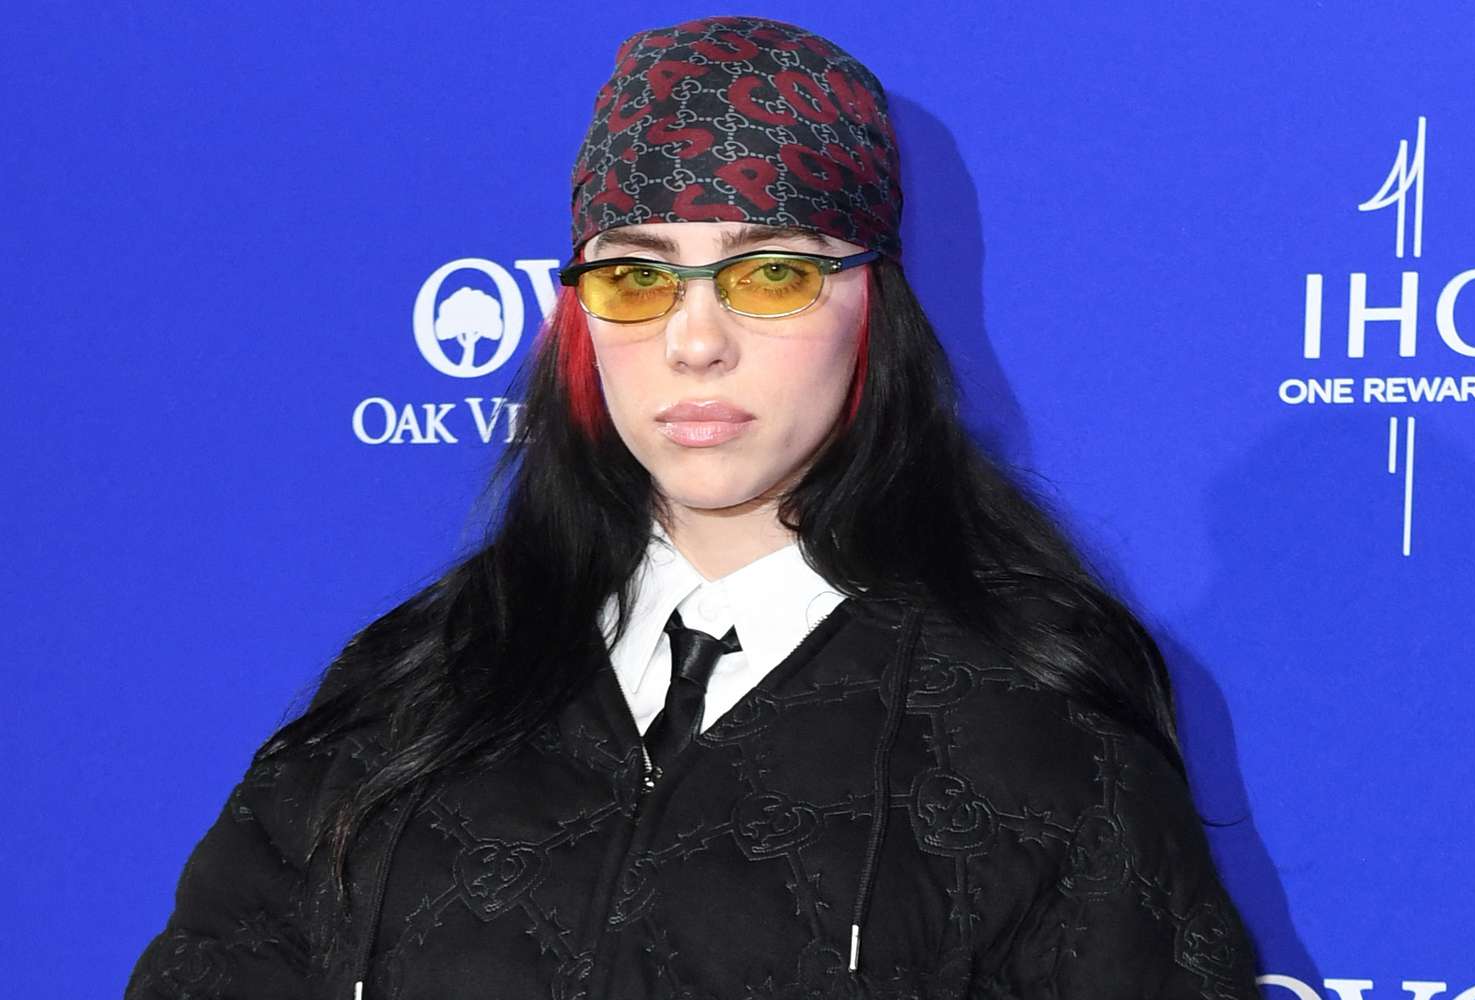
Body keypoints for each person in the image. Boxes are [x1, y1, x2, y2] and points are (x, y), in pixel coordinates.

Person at [126, 15, 1262, 999]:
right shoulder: (410, 689)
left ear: (876, 306)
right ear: (580, 315)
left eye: (772, 272)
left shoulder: (1042, 726)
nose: (696, 339)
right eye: (638, 275)